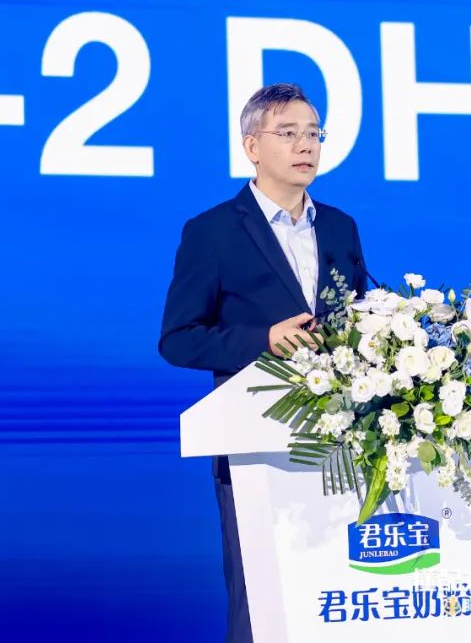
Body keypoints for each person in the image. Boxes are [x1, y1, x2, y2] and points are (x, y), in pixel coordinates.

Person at [157, 82, 369, 642]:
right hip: (256, 447)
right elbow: (178, 339)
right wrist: (264, 340)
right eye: (288, 133)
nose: (306, 145)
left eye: (314, 133)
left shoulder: (340, 228)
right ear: (252, 146)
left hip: (340, 448)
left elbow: (361, 320)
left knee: (339, 603)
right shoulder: (212, 232)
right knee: (263, 610)